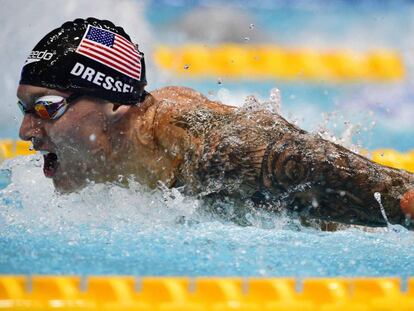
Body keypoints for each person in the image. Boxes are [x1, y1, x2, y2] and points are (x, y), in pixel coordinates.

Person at [17, 18, 414, 228]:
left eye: (46, 108)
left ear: (117, 104)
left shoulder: (206, 147)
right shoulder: (122, 156)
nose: (26, 132)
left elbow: (400, 197)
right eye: (24, 110)